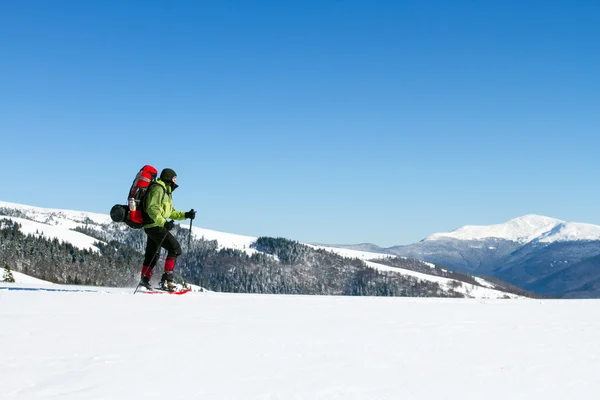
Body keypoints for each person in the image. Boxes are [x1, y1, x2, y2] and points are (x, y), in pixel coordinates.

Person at [138, 168, 195, 291]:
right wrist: (164, 223)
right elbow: (152, 208)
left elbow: (170, 212)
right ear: (169, 178)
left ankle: (145, 280)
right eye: (174, 178)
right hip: (155, 225)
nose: (175, 181)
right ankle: (167, 281)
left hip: (153, 225)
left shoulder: (166, 192)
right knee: (174, 248)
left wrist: (186, 215)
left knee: (152, 254)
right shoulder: (158, 189)